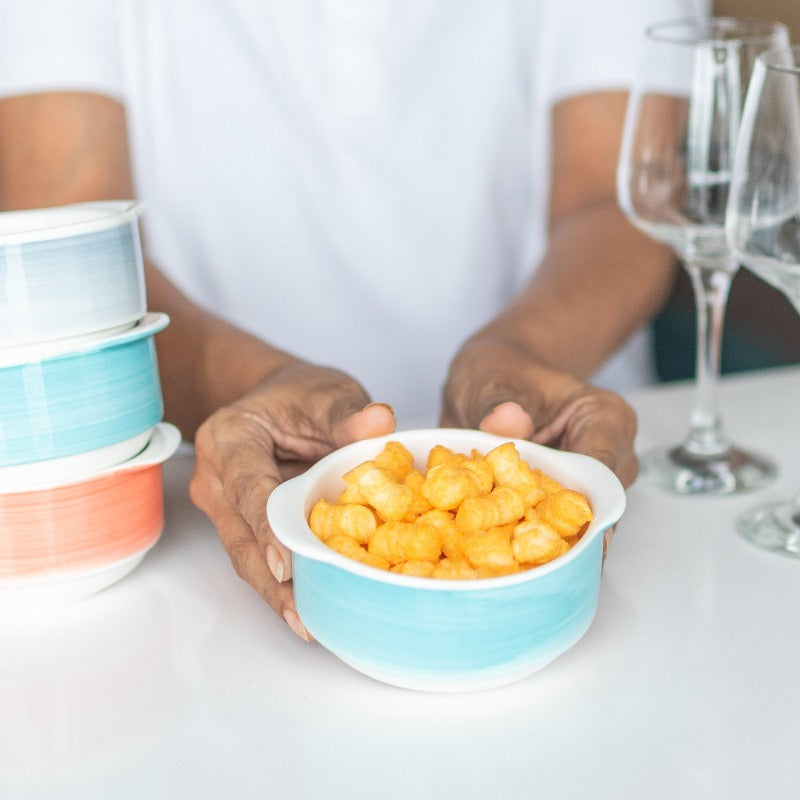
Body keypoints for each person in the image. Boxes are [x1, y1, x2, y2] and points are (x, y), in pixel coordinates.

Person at [0, 0, 697, 639]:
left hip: (563, 459)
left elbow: (620, 201)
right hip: (190, 521)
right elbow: (65, 236)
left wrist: (521, 353)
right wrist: (243, 380)